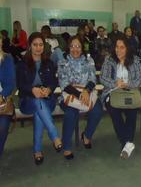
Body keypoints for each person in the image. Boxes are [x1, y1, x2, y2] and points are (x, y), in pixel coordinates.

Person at [16, 32, 62, 165]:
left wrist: (48, 89)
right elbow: (20, 85)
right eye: (35, 45)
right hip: (27, 101)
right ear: (30, 46)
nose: (38, 48)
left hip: (47, 100)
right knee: (37, 103)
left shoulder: (49, 63)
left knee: (39, 110)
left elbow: (54, 82)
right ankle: (54, 136)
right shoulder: (22, 64)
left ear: (44, 46)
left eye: (41, 44)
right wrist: (32, 90)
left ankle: (37, 150)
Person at [58, 36, 103, 159]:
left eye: (78, 46)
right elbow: (64, 84)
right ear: (68, 47)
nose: (75, 49)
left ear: (82, 48)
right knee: (71, 114)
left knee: (98, 110)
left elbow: (93, 78)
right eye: (72, 46)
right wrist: (79, 95)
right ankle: (66, 146)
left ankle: (87, 135)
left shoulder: (89, 61)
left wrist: (86, 91)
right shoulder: (63, 62)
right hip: (69, 96)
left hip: (87, 93)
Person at [100, 35, 141, 158]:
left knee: (132, 111)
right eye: (116, 47)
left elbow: (139, 79)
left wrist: (128, 84)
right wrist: (115, 83)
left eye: (122, 47)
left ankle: (126, 144)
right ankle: (128, 143)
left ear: (127, 48)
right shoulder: (109, 59)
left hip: (129, 91)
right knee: (114, 111)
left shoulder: (134, 60)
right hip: (112, 91)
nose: (118, 50)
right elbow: (102, 77)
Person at [0, 34, 16, 157]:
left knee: (3, 125)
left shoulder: (7, 59)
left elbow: (10, 83)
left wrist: (2, 95)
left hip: (2, 103)